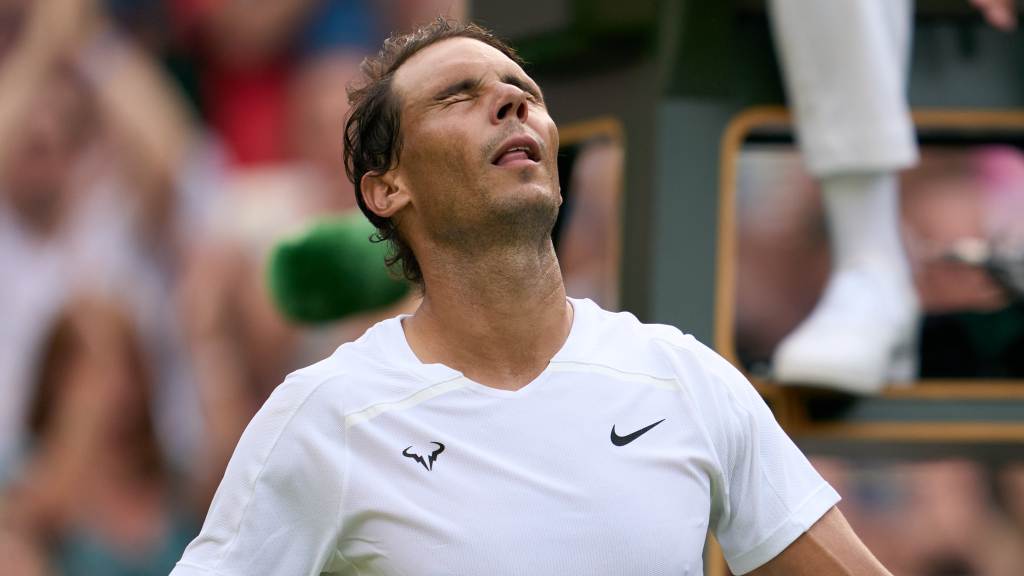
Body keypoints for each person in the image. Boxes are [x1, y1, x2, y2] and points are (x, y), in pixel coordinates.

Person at [171, 19, 892, 575]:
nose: (511, 101)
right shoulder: (327, 414)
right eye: (459, 96)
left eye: (525, 93)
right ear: (387, 187)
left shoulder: (683, 376)